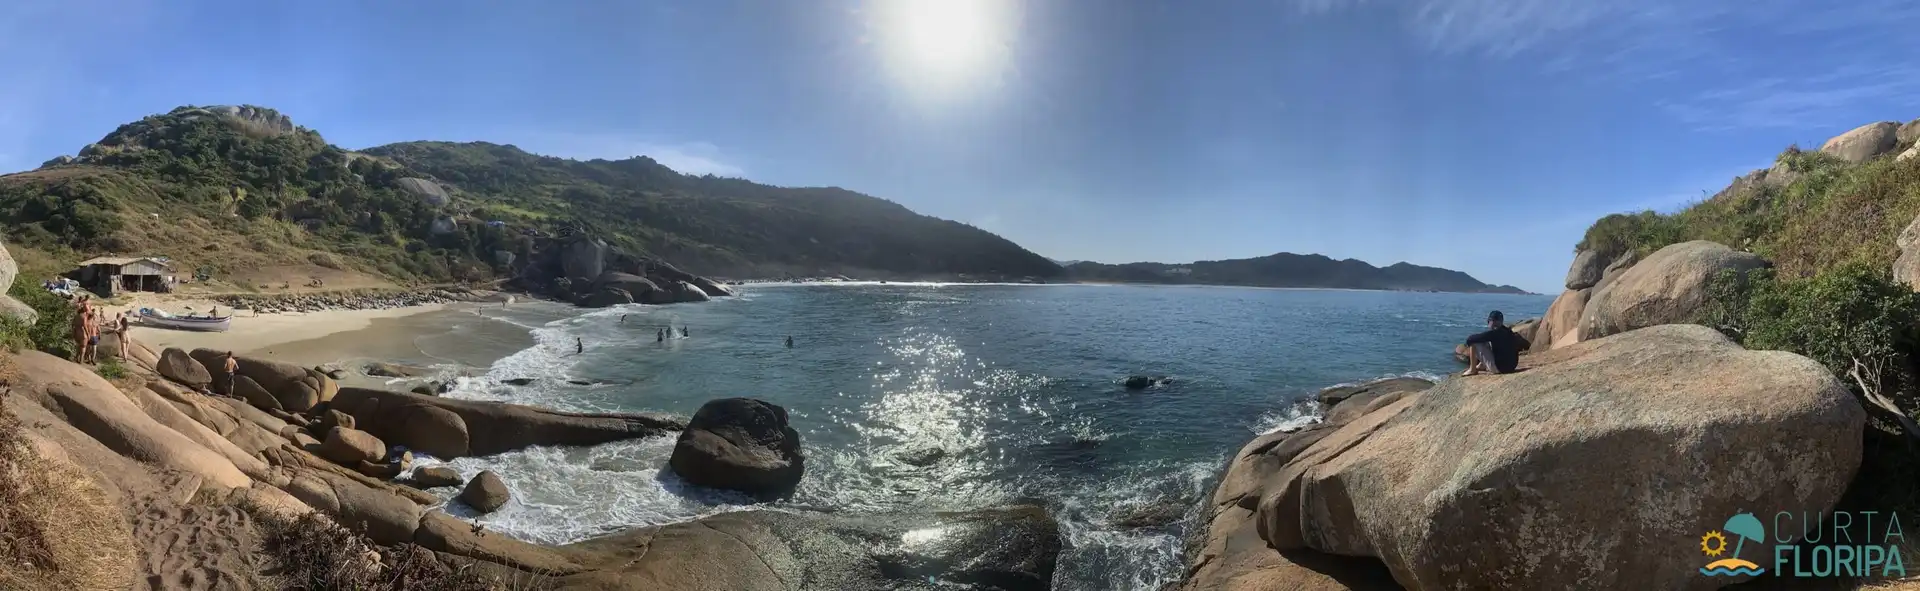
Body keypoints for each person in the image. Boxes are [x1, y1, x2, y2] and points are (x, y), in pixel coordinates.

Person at [1462, 310, 1520, 376]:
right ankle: (1482, 365)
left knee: (1474, 343)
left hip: (1500, 369)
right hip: (1512, 367)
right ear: (1501, 321)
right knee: (1485, 341)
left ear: (1490, 321)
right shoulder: (1508, 331)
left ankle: (1472, 370)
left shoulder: (1493, 333)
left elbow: (1470, 339)